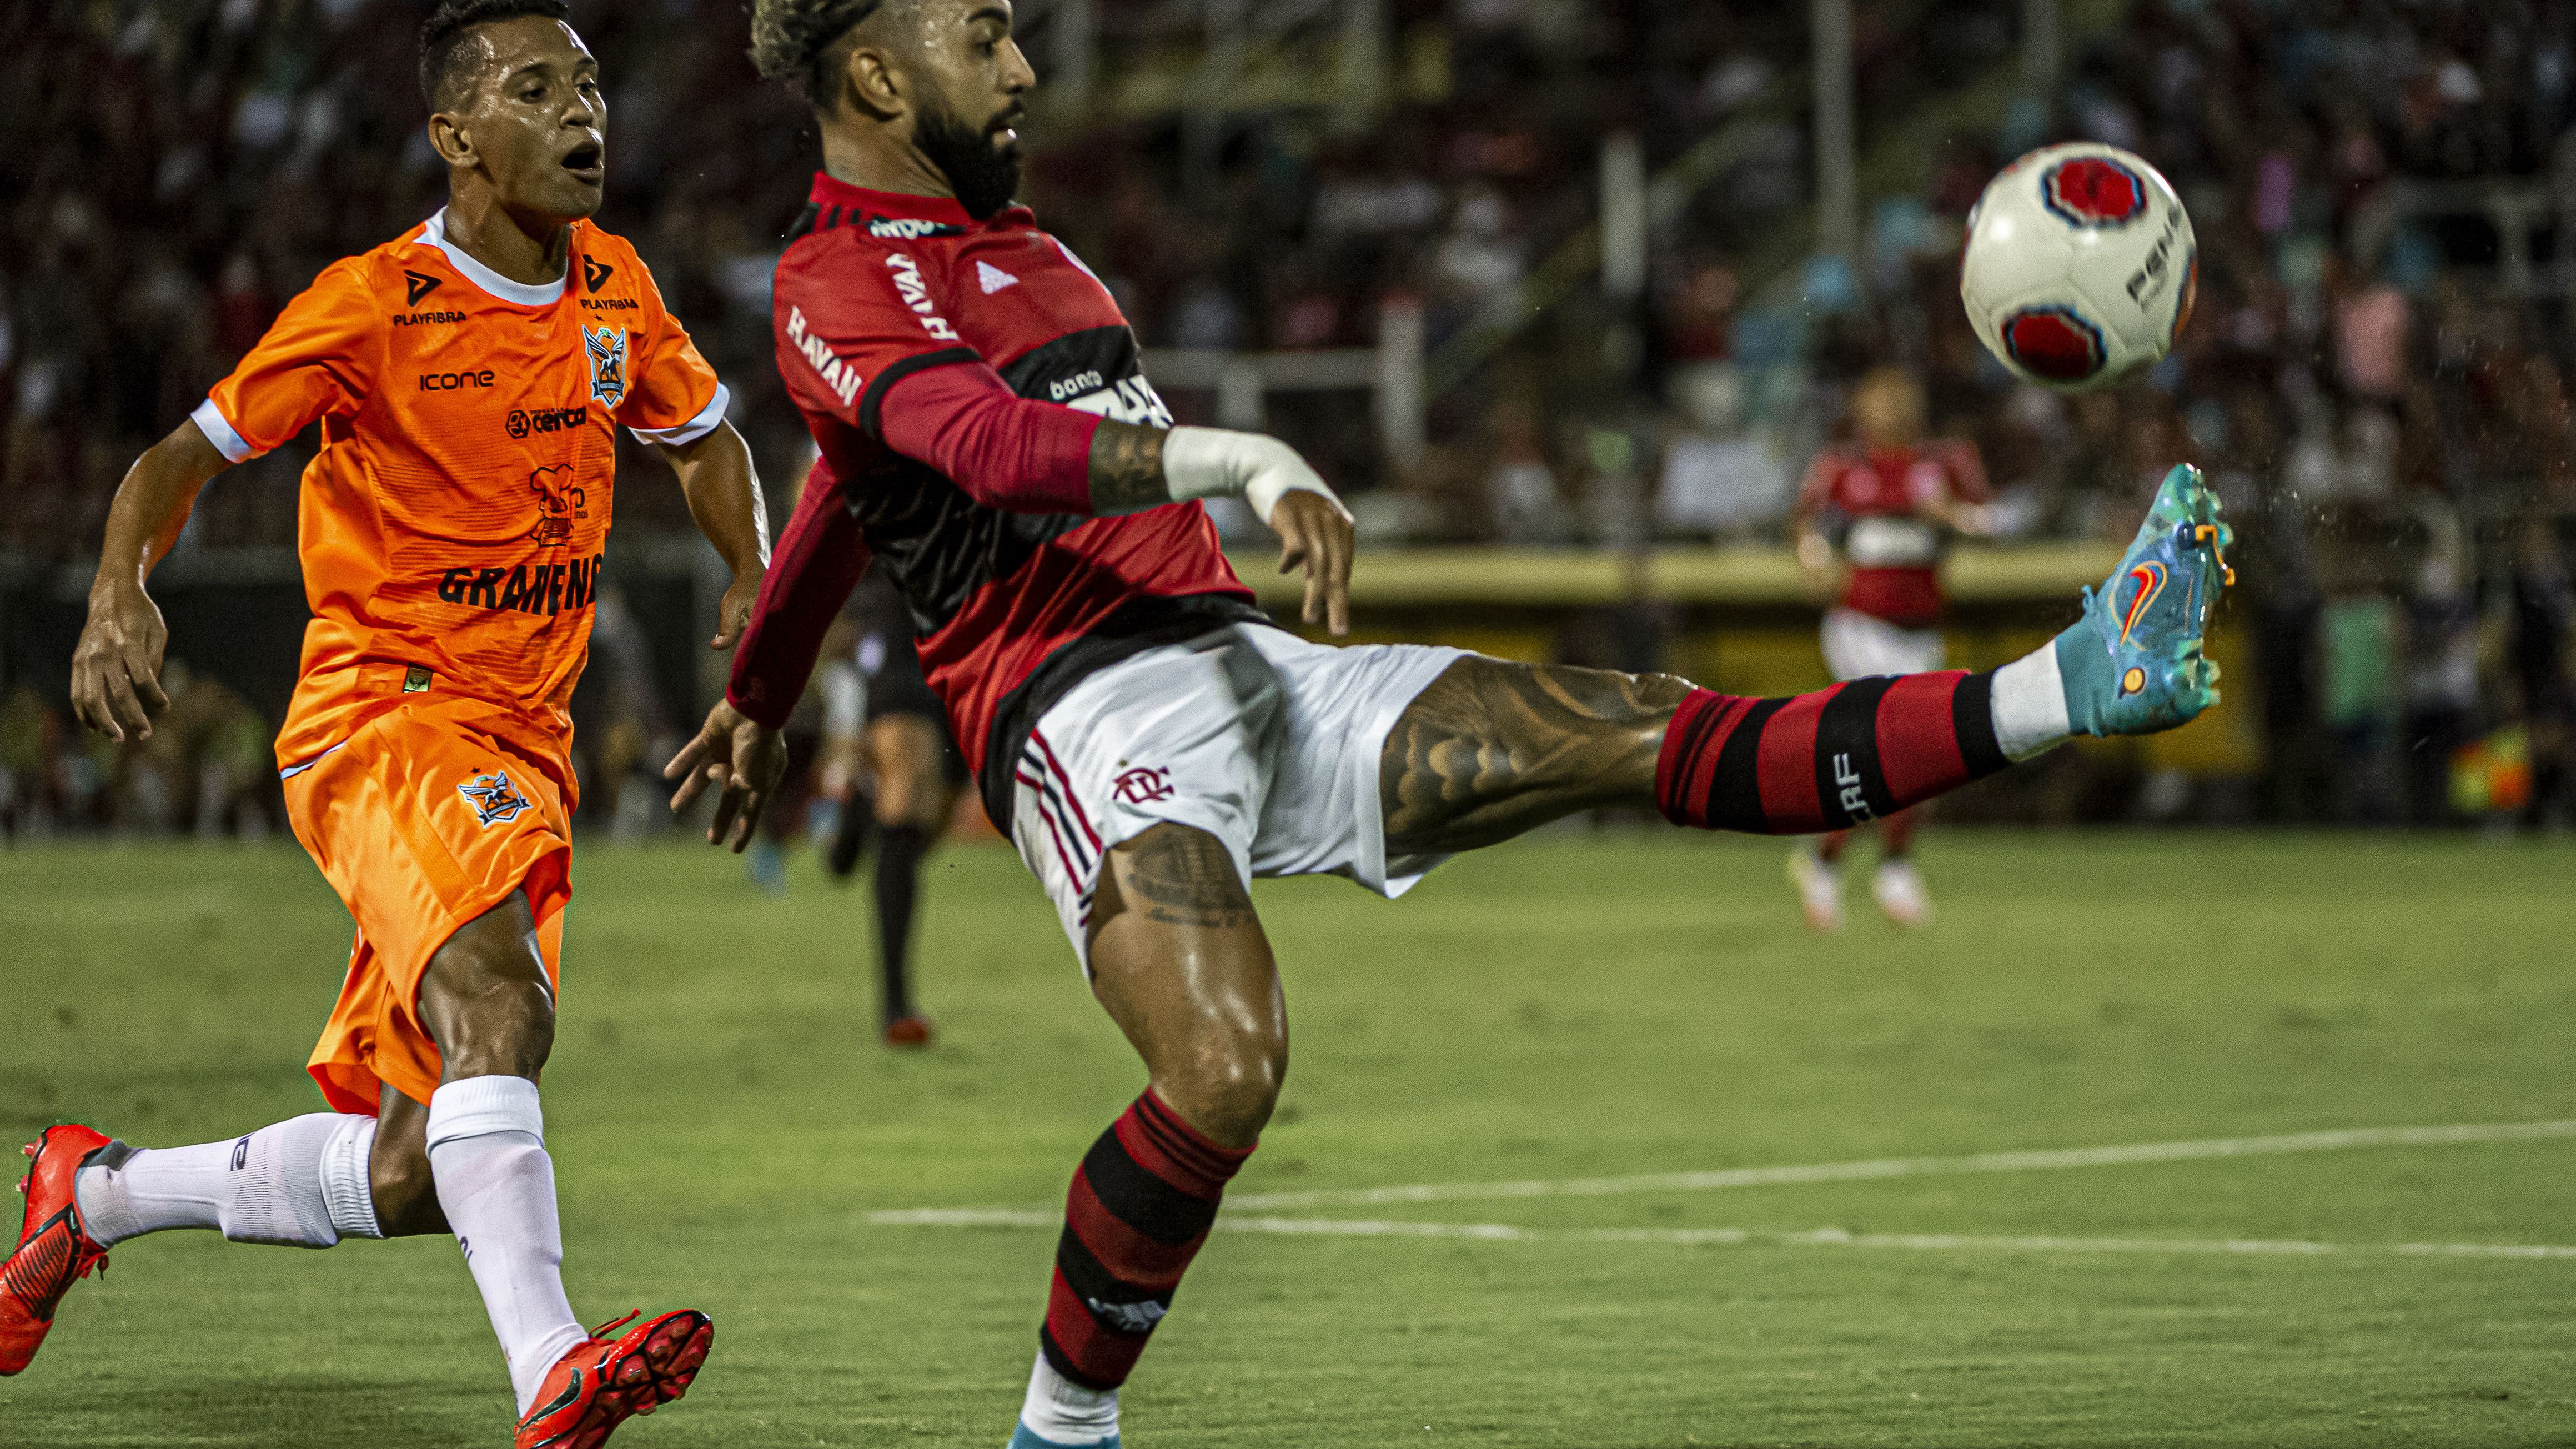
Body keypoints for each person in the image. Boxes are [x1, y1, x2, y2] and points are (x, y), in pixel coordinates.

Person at [670, 4, 2233, 1445]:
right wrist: (1245, 458)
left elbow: (840, 479)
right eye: (983, 35)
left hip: (1242, 663)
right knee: (1220, 1066)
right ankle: (1058, 1433)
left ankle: (2072, 681)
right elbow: (978, 447)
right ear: (876, 77)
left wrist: (754, 691)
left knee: (1645, 731)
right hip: (1077, 715)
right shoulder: (837, 277)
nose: (1019, 68)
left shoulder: (1023, 252)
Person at [6, 6, 759, 1444]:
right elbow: (183, 453)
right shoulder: (372, 303)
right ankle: (552, 1369)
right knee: (504, 1013)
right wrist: (117, 593)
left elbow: (706, 433)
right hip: (382, 714)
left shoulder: (614, 291)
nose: (583, 113)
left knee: (422, 1166)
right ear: (457, 136)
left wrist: (752, 573)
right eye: (537, 90)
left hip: (516, 743)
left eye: (591, 84)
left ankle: (90, 1194)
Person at [1787, 367, 1995, 930]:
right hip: (1859, 624)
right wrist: (1812, 559)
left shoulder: (1945, 462)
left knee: (1909, 757)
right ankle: (1889, 868)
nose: (1892, 414)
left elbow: (1991, 521)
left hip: (1920, 627)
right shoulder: (1843, 466)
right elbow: (1806, 520)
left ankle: (1829, 860)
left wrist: (1949, 516)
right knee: (1889, 744)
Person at [823, 566, 967, 1046]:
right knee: (905, 834)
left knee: (919, 830)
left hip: (944, 670)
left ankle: (861, 809)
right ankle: (895, 1005)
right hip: (904, 673)